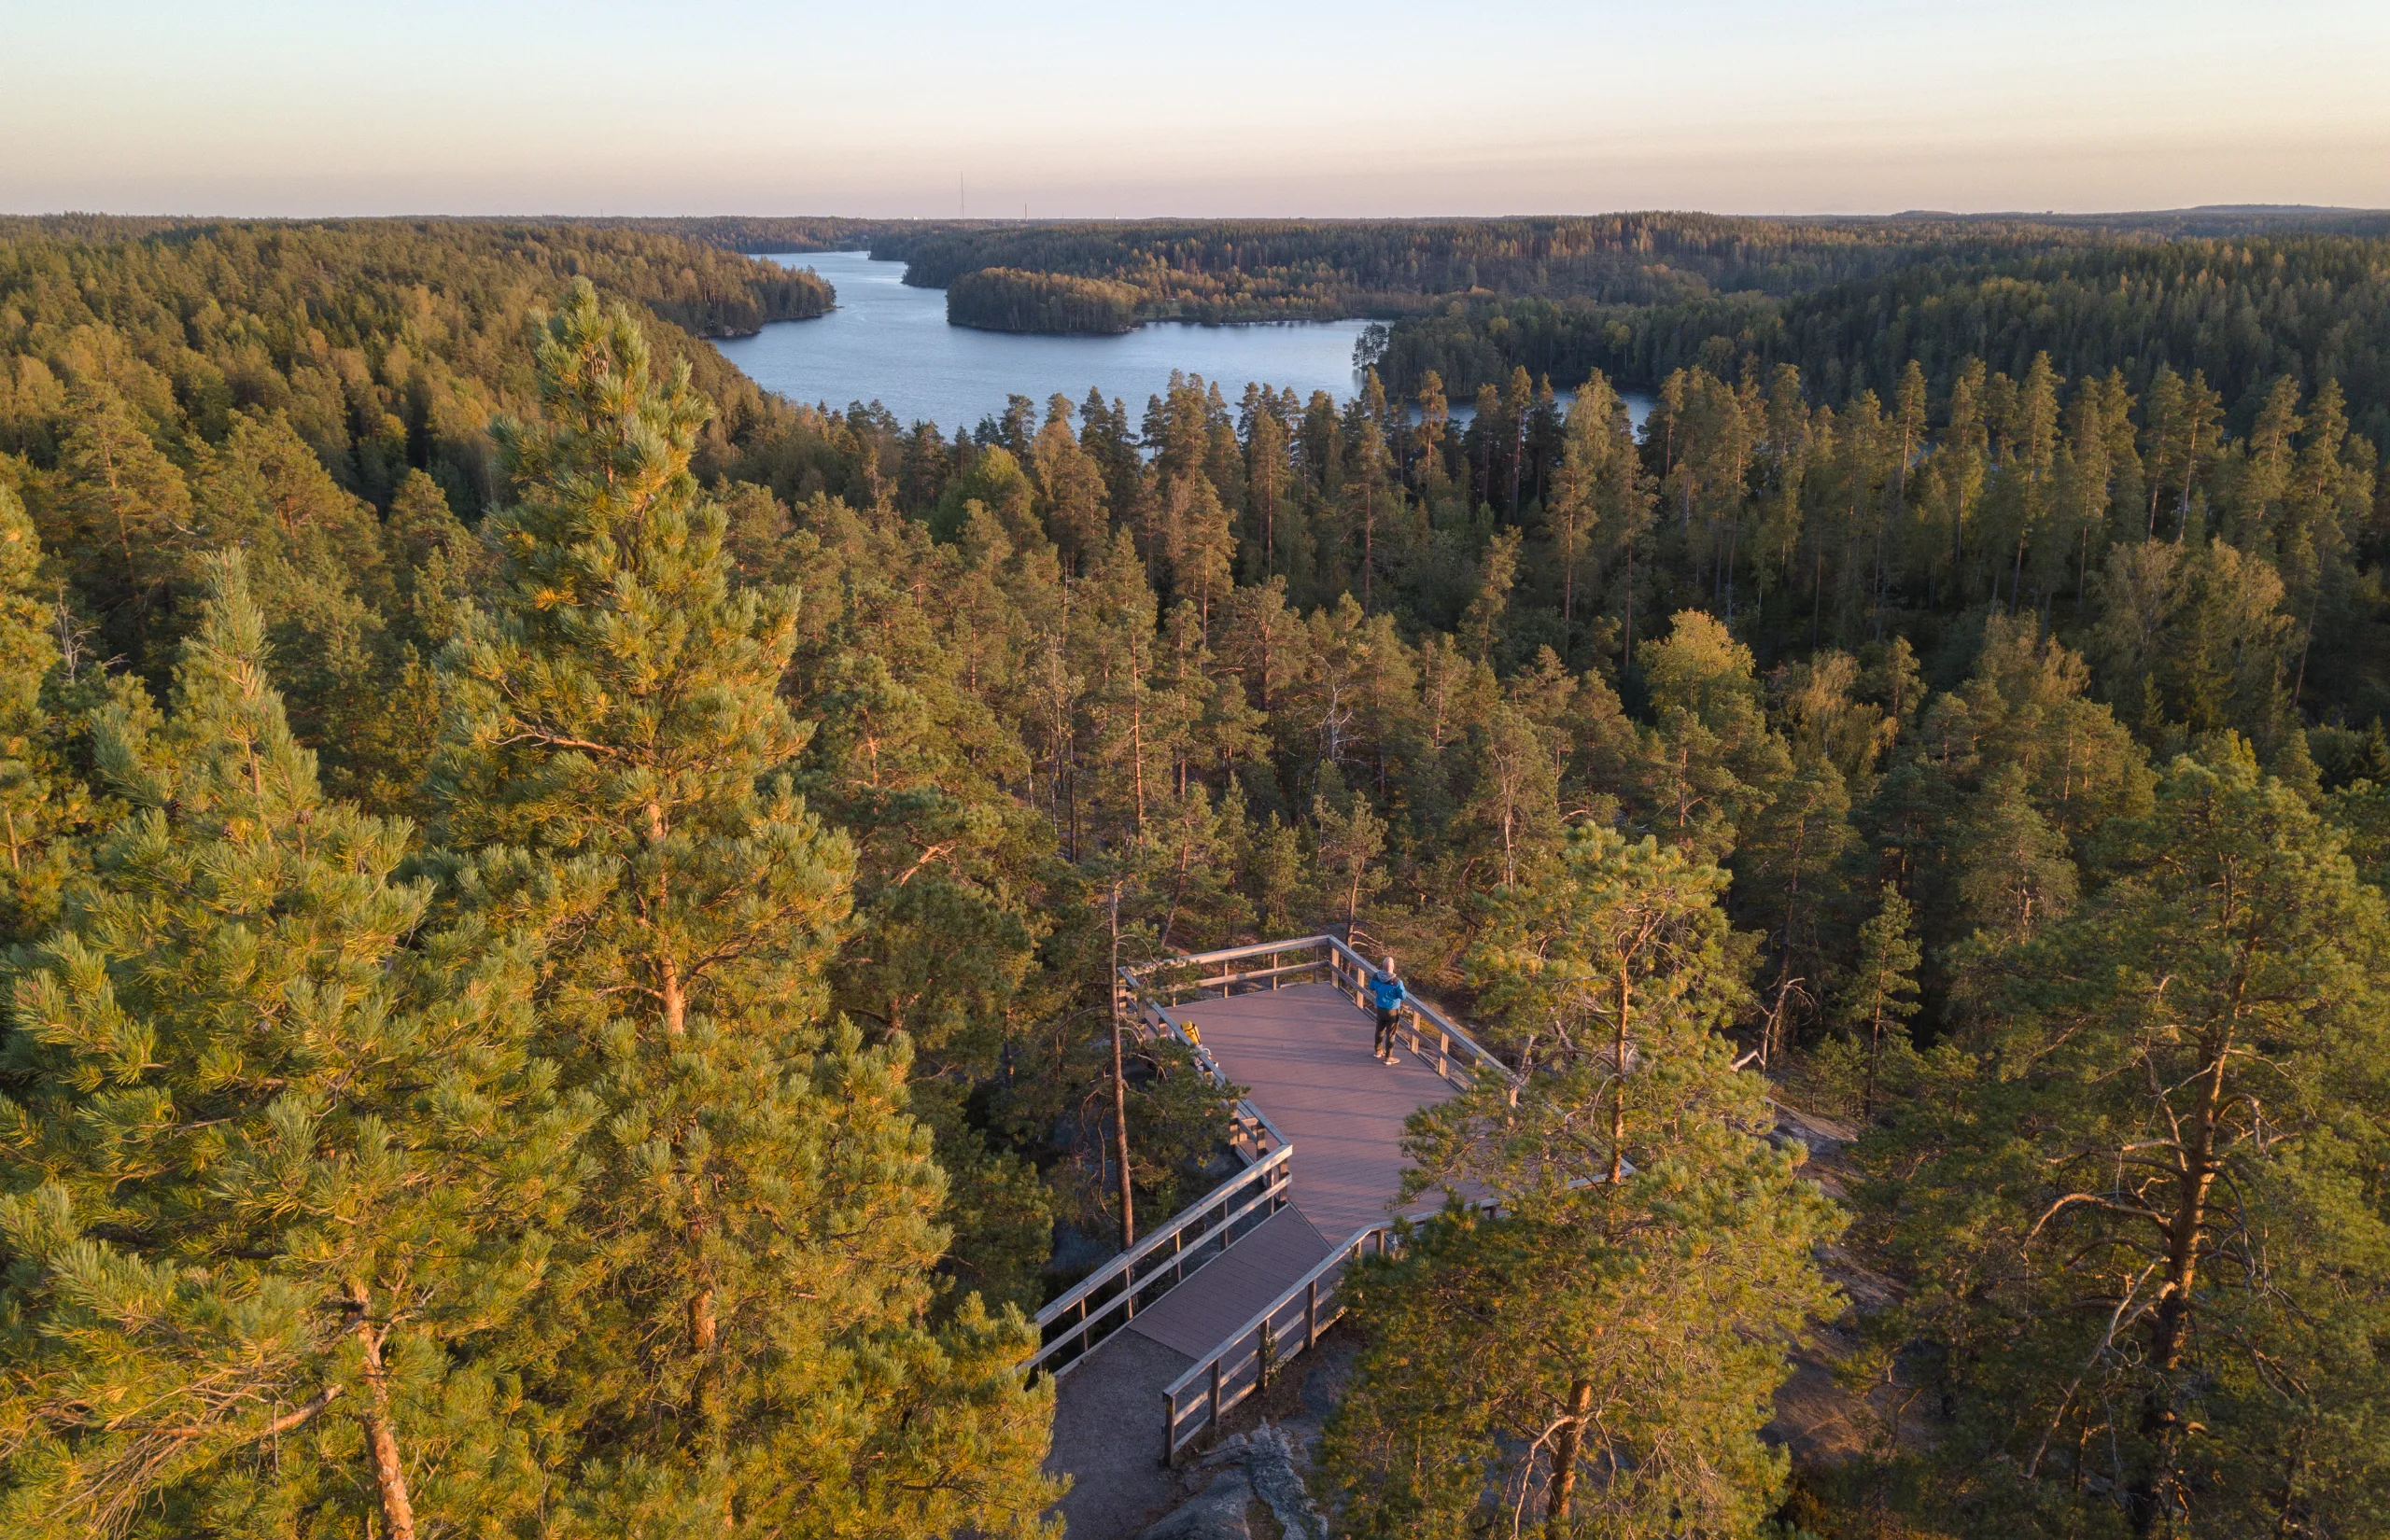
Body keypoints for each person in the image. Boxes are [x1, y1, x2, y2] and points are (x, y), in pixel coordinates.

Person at [1369, 956, 1406, 1063]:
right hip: (1392, 1010)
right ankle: (1389, 1057)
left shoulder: (1376, 977)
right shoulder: (1397, 982)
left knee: (1379, 1030)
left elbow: (1371, 987)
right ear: (1393, 966)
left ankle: (1378, 1051)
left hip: (1380, 1008)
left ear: (1383, 966)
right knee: (1391, 1034)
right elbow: (1403, 996)